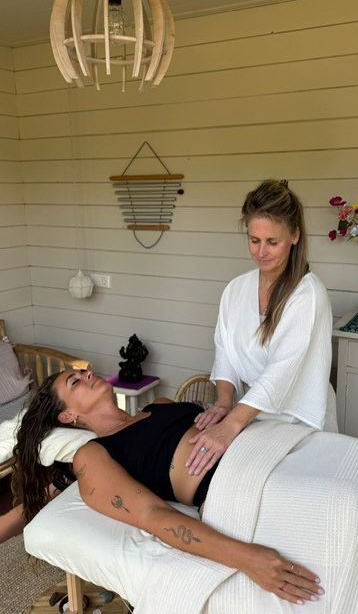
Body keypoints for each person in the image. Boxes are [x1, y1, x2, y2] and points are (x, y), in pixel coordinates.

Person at [12, 369, 324, 607]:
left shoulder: (160, 405)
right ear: (68, 416)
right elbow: (153, 515)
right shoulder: (92, 455)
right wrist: (247, 558)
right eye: (75, 382)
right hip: (245, 484)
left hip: (275, 449)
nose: (87, 374)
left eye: (83, 372)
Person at [187, 178, 335, 476]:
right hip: (251, 418)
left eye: (272, 242)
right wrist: (224, 403)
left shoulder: (308, 294)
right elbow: (225, 350)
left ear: (295, 236)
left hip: (298, 424)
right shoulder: (236, 289)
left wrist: (231, 425)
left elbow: (281, 374)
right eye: (254, 240)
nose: (261, 252)